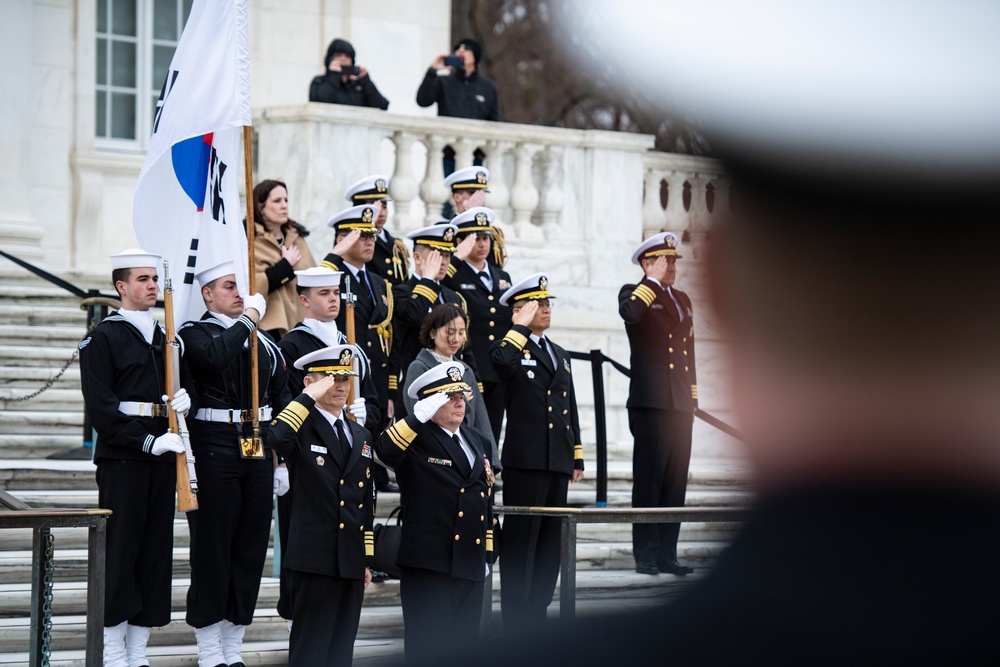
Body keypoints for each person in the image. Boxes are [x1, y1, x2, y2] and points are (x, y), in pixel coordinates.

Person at [79, 248, 193, 667]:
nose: (151, 287)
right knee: (122, 552)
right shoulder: (103, 337)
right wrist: (147, 442)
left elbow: (184, 392)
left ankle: (138, 651)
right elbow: (102, 410)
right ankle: (112, 651)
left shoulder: (168, 337)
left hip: (164, 455)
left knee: (154, 553)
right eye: (142, 280)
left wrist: (186, 401)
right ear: (121, 286)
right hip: (124, 458)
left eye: (153, 279)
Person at [178, 261, 289, 667]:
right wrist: (249, 320)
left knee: (250, 546)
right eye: (229, 287)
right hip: (213, 445)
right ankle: (209, 645)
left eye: (241, 288)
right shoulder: (194, 333)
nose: (239, 295)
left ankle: (233, 641)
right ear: (207, 295)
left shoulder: (263, 343)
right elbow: (213, 358)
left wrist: (280, 460)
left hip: (256, 445)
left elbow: (280, 396)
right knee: (213, 545)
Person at [275, 266, 378, 622]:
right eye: (324, 294)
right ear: (304, 300)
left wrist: (366, 415)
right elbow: (283, 409)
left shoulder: (352, 347)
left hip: (346, 445)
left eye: (336, 292)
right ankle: (293, 616)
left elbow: (374, 403)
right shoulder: (293, 345)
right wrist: (282, 463)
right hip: (308, 453)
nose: (333, 299)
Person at [376, 362, 496, 663]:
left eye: (461, 397)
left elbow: (486, 498)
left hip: (469, 559)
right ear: (431, 403)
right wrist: (415, 417)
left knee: (464, 648)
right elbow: (384, 451)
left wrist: (487, 552)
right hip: (430, 562)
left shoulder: (476, 440)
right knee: (427, 648)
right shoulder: (416, 439)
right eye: (449, 397)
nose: (459, 403)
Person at [267, 345, 375, 666]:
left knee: (341, 652)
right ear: (310, 382)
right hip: (314, 559)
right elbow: (276, 438)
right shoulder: (301, 425)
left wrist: (366, 559)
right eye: (331, 379)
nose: (341, 386)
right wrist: (307, 400)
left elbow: (364, 503)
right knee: (310, 652)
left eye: (345, 378)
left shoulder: (360, 432)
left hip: (350, 560)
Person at [490, 273, 584, 634]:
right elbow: (499, 362)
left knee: (549, 543)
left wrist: (575, 455)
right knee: (521, 542)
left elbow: (569, 406)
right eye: (537, 304)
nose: (545, 309)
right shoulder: (512, 347)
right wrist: (517, 328)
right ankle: (516, 612)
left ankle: (539, 608)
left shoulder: (559, 354)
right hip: (526, 459)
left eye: (547, 303)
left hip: (556, 459)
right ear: (519, 311)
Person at [619, 231, 697, 576]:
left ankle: (668, 553)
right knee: (649, 479)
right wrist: (649, 280)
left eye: (674, 261)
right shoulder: (634, 293)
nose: (672, 267)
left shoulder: (682, 299)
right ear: (647, 263)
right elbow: (631, 315)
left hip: (680, 402)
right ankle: (646, 554)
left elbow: (688, 354)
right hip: (651, 401)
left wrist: (693, 397)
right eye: (665, 261)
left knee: (675, 480)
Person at [321, 204, 397, 492]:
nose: (369, 241)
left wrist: (390, 389)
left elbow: (390, 337)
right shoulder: (332, 276)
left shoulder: (378, 282)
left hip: (372, 371)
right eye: (361, 236)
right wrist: (337, 252)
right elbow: (317, 277)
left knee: (372, 424)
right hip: (342, 369)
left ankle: (376, 476)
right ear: (343, 239)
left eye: (372, 236)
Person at [442, 206, 513, 441]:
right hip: (470, 364)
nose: (483, 244)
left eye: (486, 238)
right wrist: (456, 258)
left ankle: (489, 472)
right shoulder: (455, 274)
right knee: (468, 425)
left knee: (492, 425)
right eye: (475, 239)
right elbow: (439, 283)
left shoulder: (502, 278)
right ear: (461, 243)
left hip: (496, 367)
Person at [402, 303, 498, 468]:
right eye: (449, 332)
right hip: (434, 459)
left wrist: (491, 461)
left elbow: (481, 418)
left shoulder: (464, 369)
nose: (456, 339)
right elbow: (417, 415)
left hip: (468, 456)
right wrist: (462, 401)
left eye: (461, 333)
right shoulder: (419, 367)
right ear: (432, 332)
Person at [392, 223, 473, 408]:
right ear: (417, 257)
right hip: (418, 386)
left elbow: (465, 346)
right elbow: (413, 315)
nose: (444, 262)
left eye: (446, 255)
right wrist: (428, 279)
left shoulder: (453, 296)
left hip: (455, 389)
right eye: (436, 256)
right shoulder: (401, 292)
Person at [250, 179, 317, 340]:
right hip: (270, 328)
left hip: (303, 324)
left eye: (286, 200)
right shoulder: (251, 241)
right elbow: (253, 287)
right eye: (277, 201)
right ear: (261, 208)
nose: (284, 205)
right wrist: (285, 266)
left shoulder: (297, 238)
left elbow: (314, 277)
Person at [344, 175, 410, 287]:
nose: (381, 213)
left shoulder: (395, 244)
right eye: (374, 207)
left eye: (384, 207)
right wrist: (369, 224)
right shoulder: (349, 238)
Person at [416, 38, 500, 121]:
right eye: (458, 48)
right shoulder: (443, 82)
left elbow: (494, 121)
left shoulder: (488, 87)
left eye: (466, 48)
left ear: (475, 55)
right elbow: (423, 101)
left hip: (474, 134)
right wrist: (432, 70)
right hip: (448, 133)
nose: (461, 50)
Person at [444, 167, 507, 267]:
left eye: (482, 192)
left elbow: (494, 269)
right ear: (457, 197)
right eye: (473, 192)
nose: (479, 197)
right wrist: (469, 214)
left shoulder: (492, 232)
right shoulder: (444, 230)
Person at [309, 37, 389, 110]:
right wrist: (333, 76)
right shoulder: (320, 81)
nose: (343, 59)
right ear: (330, 59)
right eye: (338, 55)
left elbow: (382, 106)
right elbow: (318, 103)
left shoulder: (359, 86)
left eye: (347, 56)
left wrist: (366, 82)